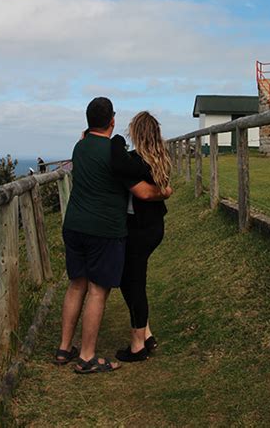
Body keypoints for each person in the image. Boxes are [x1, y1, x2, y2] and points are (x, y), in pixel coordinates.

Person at [55, 97, 171, 375]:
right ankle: (87, 356)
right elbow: (142, 191)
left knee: (75, 285)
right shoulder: (114, 154)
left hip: (73, 225)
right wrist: (165, 192)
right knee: (97, 290)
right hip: (103, 229)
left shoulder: (79, 147)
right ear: (112, 121)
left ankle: (63, 349)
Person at [111, 111, 172, 362]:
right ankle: (146, 333)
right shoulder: (160, 159)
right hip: (154, 227)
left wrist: (114, 139)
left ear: (137, 133)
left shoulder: (136, 161)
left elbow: (117, 160)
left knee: (134, 284)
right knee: (132, 280)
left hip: (139, 229)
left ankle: (137, 347)